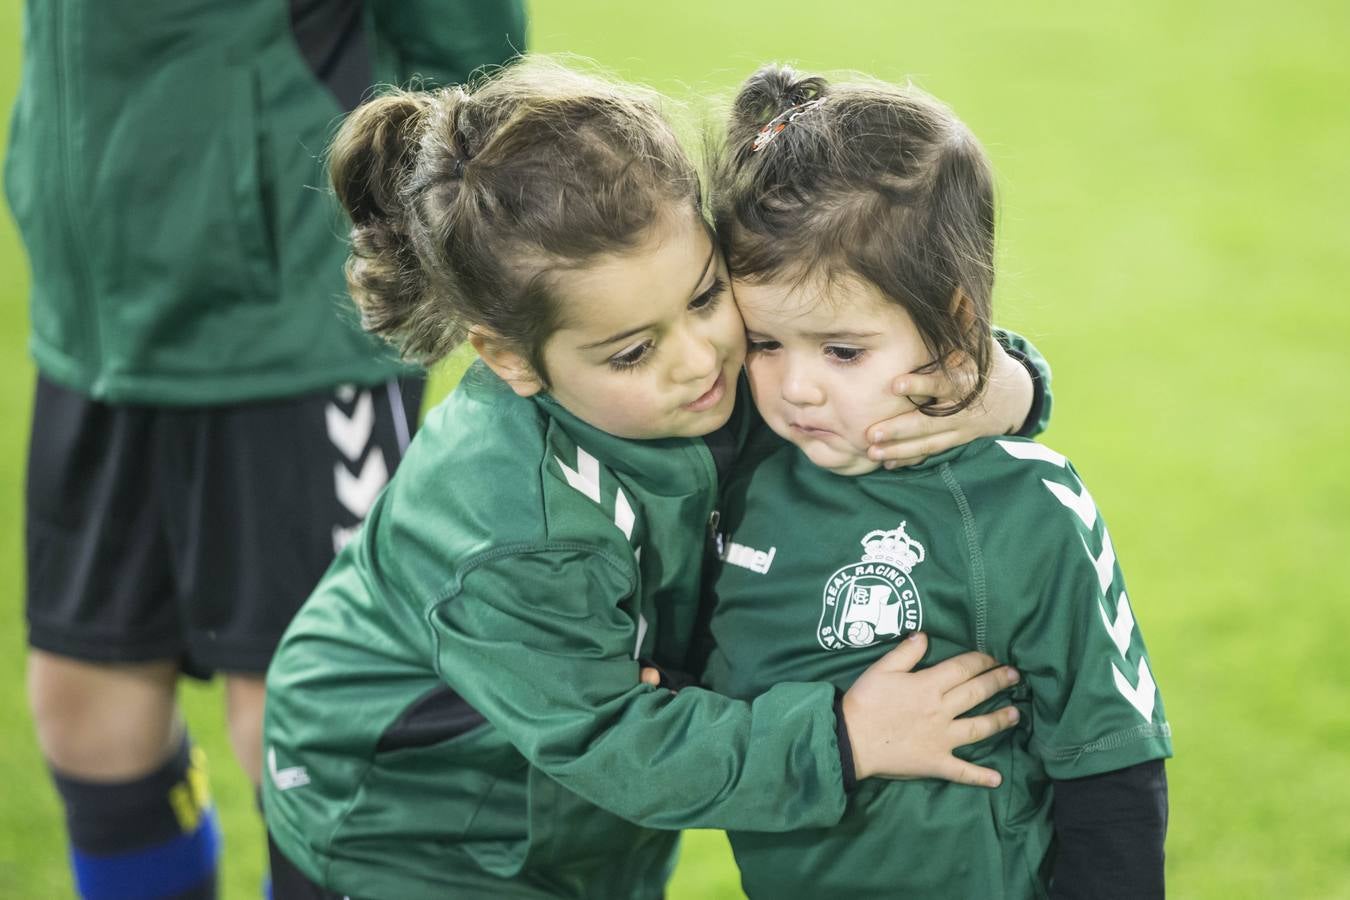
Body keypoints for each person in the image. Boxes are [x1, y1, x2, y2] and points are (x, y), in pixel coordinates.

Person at [261, 57, 1046, 900]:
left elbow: (880, 364)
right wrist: (844, 737)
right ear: (509, 357)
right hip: (405, 830)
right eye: (633, 351)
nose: (698, 359)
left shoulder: (732, 369)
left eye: (707, 296)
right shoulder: (513, 527)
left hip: (565, 818)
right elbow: (609, 738)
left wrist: (1002, 385)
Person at [6, 2, 525, 897]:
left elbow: (469, 43)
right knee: (87, 710)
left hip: (289, 318)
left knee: (319, 728)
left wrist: (440, 224)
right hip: (92, 326)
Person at [699, 65, 1173, 899]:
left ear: (953, 326)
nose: (797, 386)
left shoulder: (1029, 506)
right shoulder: (738, 481)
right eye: (766, 343)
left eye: (842, 351)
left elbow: (1112, 763)